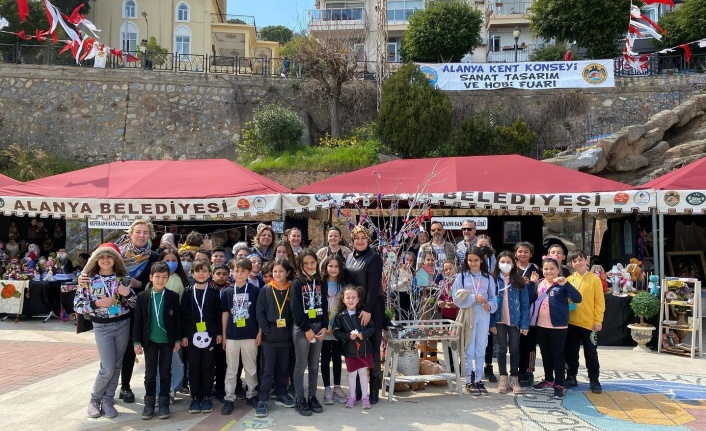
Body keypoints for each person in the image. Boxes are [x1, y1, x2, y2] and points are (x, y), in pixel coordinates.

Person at [74, 243, 136, 419]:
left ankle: (108, 400)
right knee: (107, 368)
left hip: (123, 324)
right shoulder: (87, 280)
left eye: (110, 257)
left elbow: (134, 304)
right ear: (96, 260)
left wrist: (128, 294)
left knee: (117, 365)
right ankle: (94, 400)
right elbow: (77, 306)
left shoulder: (122, 279)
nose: (106, 260)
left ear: (115, 260)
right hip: (102, 327)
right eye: (102, 257)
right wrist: (97, 304)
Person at [110, 220, 160, 404]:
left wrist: (142, 285)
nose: (141, 235)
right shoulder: (116, 256)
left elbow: (160, 281)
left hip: (144, 307)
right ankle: (125, 387)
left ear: (150, 235)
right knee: (125, 349)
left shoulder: (155, 256)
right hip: (120, 307)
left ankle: (153, 389)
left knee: (148, 346)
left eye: (145, 232)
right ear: (131, 233)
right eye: (138, 232)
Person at [133, 262, 183, 420]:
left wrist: (177, 339)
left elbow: (177, 321)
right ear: (150, 277)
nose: (160, 280)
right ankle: (149, 404)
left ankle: (164, 404)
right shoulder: (143, 296)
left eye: (164, 277)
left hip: (167, 341)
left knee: (165, 373)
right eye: (157, 277)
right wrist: (136, 342)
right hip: (150, 341)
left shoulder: (172, 296)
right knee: (150, 373)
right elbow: (138, 321)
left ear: (168, 278)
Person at [530, 257, 582, 400]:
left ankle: (559, 384)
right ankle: (548, 379)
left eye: (552, 269)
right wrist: (532, 284)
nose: (549, 271)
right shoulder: (540, 283)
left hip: (558, 326)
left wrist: (567, 285)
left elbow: (578, 299)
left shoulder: (563, 284)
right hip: (541, 325)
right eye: (546, 269)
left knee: (558, 355)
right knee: (545, 353)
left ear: (558, 270)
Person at [344, 225, 384, 404]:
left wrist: (367, 310)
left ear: (368, 239)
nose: (360, 241)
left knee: (372, 347)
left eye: (363, 237)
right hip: (355, 307)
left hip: (372, 308)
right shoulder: (350, 257)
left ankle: (374, 386)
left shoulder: (374, 258)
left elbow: (374, 287)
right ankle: (359, 389)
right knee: (357, 347)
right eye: (356, 238)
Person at [452, 246, 497, 396]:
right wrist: (473, 298)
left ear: (482, 260)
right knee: (469, 347)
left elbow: (493, 297)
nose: (473, 263)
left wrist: (489, 305)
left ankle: (478, 379)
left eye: (476, 260)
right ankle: (468, 379)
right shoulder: (462, 276)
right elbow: (456, 298)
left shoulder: (488, 277)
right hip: (468, 314)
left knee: (481, 347)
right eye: (470, 260)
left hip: (484, 315)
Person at [255, 258, 296, 417]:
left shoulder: (291, 288)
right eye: (275, 271)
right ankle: (263, 399)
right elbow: (260, 313)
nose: (278, 274)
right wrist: (267, 331)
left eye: (281, 271)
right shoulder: (265, 290)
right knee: (267, 370)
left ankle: (281, 394)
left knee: (282, 368)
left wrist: (291, 331)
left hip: (286, 337)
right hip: (270, 338)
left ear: (287, 272)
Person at [181, 260, 223, 414]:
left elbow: (218, 313)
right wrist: (183, 335)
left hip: (210, 334)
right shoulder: (187, 291)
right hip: (191, 335)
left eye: (204, 271)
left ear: (209, 273)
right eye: (197, 271)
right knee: (193, 366)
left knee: (208, 365)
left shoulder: (213, 291)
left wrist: (219, 333)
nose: (201, 274)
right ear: (192, 273)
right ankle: (195, 397)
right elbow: (182, 315)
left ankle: (206, 396)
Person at [221, 259, 261, 414]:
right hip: (232, 336)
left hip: (250, 335)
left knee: (251, 368)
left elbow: (259, 314)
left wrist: (259, 332)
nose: (239, 274)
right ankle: (229, 398)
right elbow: (224, 314)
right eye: (236, 270)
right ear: (232, 272)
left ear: (249, 272)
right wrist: (224, 335)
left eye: (243, 271)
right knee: (231, 370)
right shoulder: (227, 291)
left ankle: (252, 395)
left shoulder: (255, 290)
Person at [290, 250, 328, 416]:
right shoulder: (297, 283)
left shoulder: (320, 281)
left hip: (319, 326)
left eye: (312, 263)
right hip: (303, 329)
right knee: (301, 365)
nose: (309, 266)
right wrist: (306, 329)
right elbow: (295, 309)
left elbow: (325, 305)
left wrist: (325, 326)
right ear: (300, 265)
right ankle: (300, 398)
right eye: (305, 263)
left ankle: (312, 396)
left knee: (314, 365)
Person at [565, 251, 605, 394]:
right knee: (571, 352)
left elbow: (599, 302)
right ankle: (571, 377)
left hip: (589, 324)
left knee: (591, 353)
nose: (578, 263)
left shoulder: (595, 280)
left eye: (580, 260)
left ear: (586, 261)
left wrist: (598, 321)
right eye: (574, 261)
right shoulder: (569, 279)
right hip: (571, 322)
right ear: (571, 264)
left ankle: (594, 379)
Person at [492, 251, 530, 395]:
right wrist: (491, 323)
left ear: (513, 264)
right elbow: (490, 303)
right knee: (501, 349)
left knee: (514, 349)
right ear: (498, 264)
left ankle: (514, 377)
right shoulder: (493, 281)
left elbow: (525, 305)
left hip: (515, 321)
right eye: (502, 262)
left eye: (508, 262)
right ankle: (503, 377)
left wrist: (525, 324)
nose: (505, 265)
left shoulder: (519, 281)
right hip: (499, 320)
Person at [333, 285, 375, 409]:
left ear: (358, 300)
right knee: (351, 374)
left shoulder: (362, 313)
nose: (350, 300)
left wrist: (363, 334)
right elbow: (336, 333)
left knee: (363, 373)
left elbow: (372, 328)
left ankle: (365, 398)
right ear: (343, 299)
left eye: (353, 297)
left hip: (364, 349)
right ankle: (351, 397)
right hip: (350, 350)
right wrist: (347, 336)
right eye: (348, 297)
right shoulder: (340, 316)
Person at [156, 249, 189, 404]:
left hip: (176, 326)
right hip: (156, 328)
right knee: (157, 362)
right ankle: (158, 390)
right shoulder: (155, 279)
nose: (170, 263)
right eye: (167, 259)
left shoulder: (182, 280)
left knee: (175, 360)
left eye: (174, 260)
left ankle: (172, 389)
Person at [320, 255, 348, 405]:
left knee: (337, 358)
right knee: (325, 358)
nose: (333, 269)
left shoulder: (343, 285)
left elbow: (344, 307)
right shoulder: (321, 284)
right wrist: (326, 325)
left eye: (336, 266)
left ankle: (337, 387)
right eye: (330, 266)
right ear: (325, 268)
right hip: (324, 327)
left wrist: (336, 326)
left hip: (338, 327)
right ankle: (327, 389)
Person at [515, 242, 541, 387]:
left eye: (526, 252)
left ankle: (528, 372)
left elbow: (538, 291)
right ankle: (517, 371)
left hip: (531, 312)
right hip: (514, 312)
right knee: (516, 344)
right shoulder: (512, 269)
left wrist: (532, 283)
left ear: (531, 254)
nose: (523, 254)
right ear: (516, 253)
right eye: (520, 251)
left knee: (529, 343)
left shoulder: (536, 269)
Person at [476, 234, 497, 383]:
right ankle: (470, 368)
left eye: (486, 246)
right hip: (474, 302)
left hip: (489, 302)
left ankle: (488, 367)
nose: (483, 248)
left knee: (489, 336)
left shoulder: (494, 261)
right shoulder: (471, 260)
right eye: (480, 246)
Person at [211, 263, 232, 403]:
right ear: (213, 275)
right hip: (209, 331)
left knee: (222, 363)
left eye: (224, 274)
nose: (221, 276)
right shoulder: (207, 288)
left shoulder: (231, 289)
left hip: (225, 331)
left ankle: (220, 388)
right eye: (218, 274)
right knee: (207, 363)